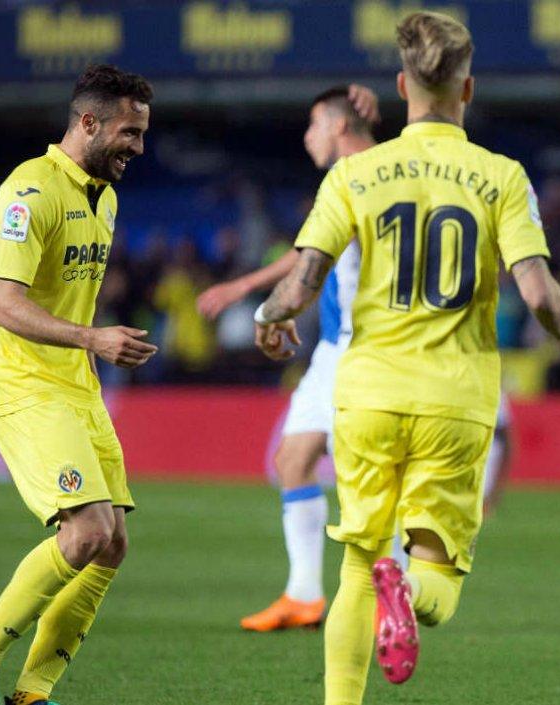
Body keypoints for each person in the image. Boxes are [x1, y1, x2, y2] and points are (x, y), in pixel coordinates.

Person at [253, 12, 560, 704]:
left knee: (354, 565)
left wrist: (267, 316)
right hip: (455, 398)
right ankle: (406, 588)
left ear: (403, 85)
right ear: (466, 90)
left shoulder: (355, 173)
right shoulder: (501, 176)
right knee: (437, 579)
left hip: (368, 392)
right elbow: (538, 292)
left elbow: (302, 280)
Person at [0, 64, 158, 705]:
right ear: (86, 123)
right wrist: (95, 338)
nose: (137, 148)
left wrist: (92, 349)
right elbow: (5, 304)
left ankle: (33, 693)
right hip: (24, 382)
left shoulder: (105, 197)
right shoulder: (27, 193)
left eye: (142, 135)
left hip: (76, 386)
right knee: (86, 532)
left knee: (112, 544)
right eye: (128, 132)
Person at [198, 84, 380, 632]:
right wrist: (246, 290)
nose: (306, 137)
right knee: (293, 459)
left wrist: (255, 300)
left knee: (366, 476)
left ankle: (388, 595)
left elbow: (309, 257)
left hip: (372, 347)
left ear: (339, 125)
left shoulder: (373, 175)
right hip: (334, 347)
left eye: (312, 125)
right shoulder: (348, 178)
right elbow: (310, 251)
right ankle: (304, 595)